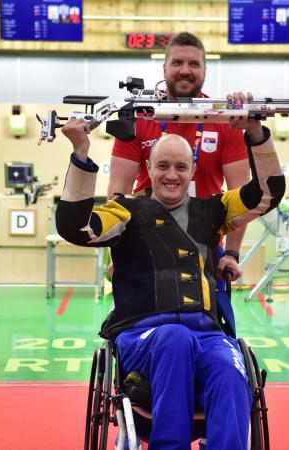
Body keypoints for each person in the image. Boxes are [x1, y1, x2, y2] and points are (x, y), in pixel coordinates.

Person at [55, 91, 285, 450]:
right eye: (162, 166)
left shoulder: (213, 210)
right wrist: (81, 154)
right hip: (143, 337)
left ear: (193, 169)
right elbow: (76, 228)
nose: (172, 175)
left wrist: (255, 132)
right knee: (174, 338)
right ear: (148, 169)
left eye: (181, 167)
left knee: (228, 363)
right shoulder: (126, 211)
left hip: (207, 336)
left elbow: (267, 195)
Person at [107, 31, 251, 283]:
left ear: (205, 70)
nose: (185, 70)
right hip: (145, 244)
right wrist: (117, 253)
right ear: (165, 69)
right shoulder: (140, 116)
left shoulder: (225, 119)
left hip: (204, 244)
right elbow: (118, 193)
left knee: (209, 321)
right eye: (177, 63)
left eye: (194, 64)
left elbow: (241, 194)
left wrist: (231, 253)